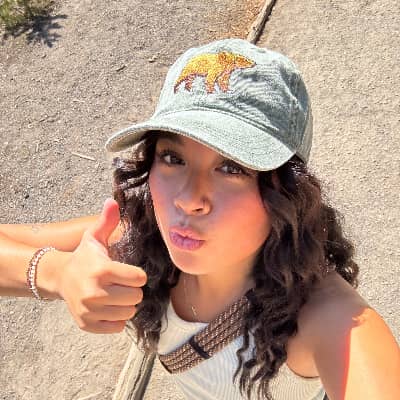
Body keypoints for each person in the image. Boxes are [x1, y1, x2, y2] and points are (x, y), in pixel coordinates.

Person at [0, 38, 399, 400]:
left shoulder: (327, 319)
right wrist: (58, 273)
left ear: (288, 192)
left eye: (232, 168)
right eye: (172, 158)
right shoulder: (137, 239)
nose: (189, 199)